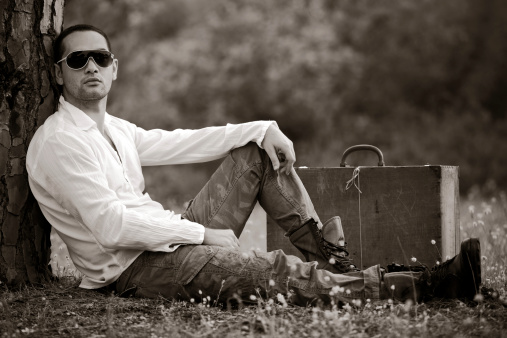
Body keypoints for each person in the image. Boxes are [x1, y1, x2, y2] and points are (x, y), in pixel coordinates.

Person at [27, 24, 481, 307]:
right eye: (77, 60)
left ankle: (336, 267)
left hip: (167, 238)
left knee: (254, 153)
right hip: (131, 270)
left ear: (114, 68)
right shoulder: (61, 142)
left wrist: (262, 127)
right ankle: (423, 287)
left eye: (100, 58)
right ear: (57, 72)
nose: (91, 66)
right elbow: (111, 228)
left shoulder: (115, 129)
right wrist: (200, 233)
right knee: (272, 273)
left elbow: (186, 142)